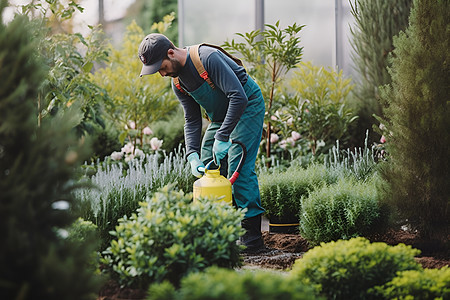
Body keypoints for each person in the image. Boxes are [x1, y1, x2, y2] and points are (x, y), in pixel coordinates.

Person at [138, 33, 265, 252]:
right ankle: (219, 229)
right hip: (221, 117)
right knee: (208, 165)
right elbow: (192, 119)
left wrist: (223, 136)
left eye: (161, 67)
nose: (161, 73)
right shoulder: (177, 82)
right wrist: (192, 154)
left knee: (238, 165)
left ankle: (251, 236)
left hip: (247, 106)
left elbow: (238, 97)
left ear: (171, 52)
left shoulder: (207, 58)